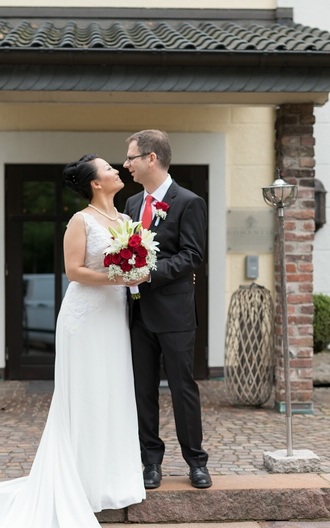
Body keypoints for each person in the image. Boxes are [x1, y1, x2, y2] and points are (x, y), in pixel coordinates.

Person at [0, 155, 146, 528]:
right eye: (108, 169)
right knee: (86, 393)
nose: (117, 170)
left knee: (112, 390)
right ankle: (82, 481)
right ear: (96, 183)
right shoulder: (81, 220)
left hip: (114, 315)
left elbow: (129, 264)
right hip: (85, 314)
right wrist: (120, 275)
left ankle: (112, 478)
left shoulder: (125, 215)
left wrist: (135, 273)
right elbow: (74, 271)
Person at [122, 130, 211, 490]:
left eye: (131, 158)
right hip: (138, 315)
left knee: (182, 389)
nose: (126, 164)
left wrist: (147, 274)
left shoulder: (189, 201)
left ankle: (196, 462)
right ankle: (151, 463)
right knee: (143, 390)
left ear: (151, 159)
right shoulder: (130, 205)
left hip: (175, 316)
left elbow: (192, 256)